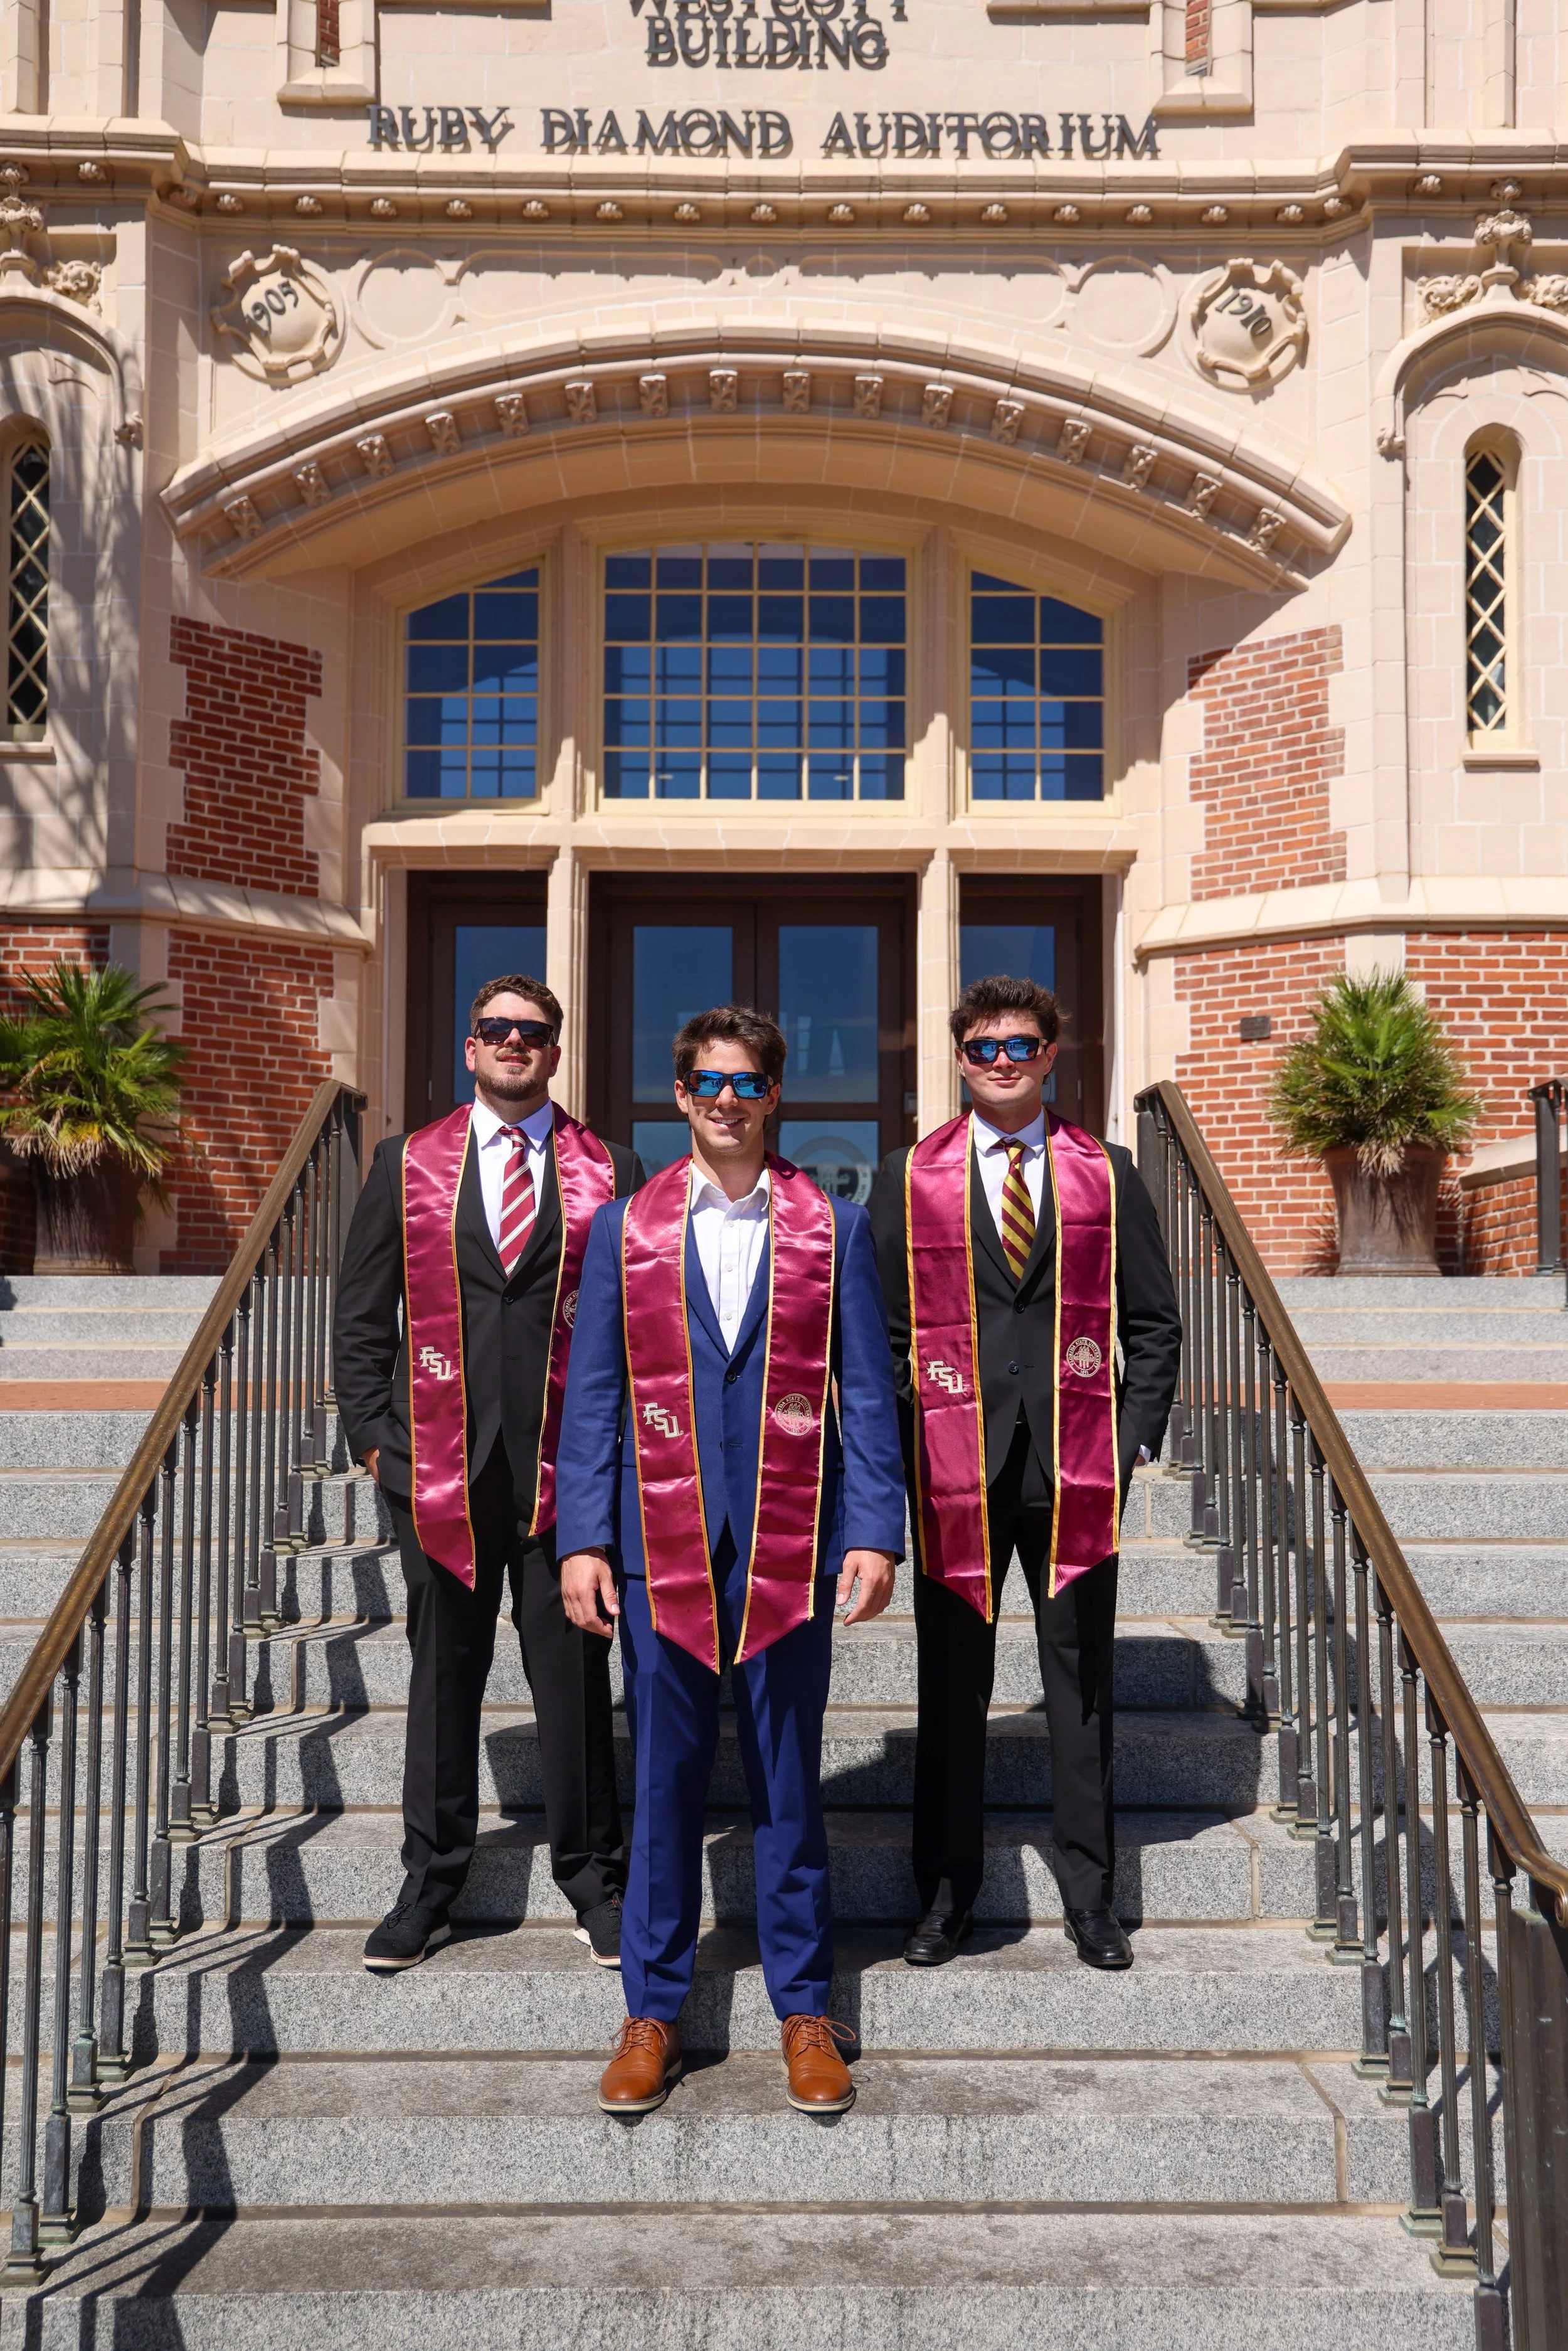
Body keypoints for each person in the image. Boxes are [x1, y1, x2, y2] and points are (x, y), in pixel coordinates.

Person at [556, 1005, 906, 2117]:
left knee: (787, 1787)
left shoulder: (833, 1228)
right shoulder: (625, 1228)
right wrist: (580, 1537)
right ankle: (652, 2011)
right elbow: (596, 1398)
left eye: (746, 1084)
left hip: (791, 1545)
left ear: (773, 1096)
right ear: (680, 1096)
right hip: (657, 1550)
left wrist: (874, 1529)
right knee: (659, 1790)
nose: (725, 1101)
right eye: (707, 1083)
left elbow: (868, 1390)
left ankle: (806, 2007)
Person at [867, 974, 1181, 1972]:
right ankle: (946, 1898)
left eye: (1020, 1047)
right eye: (982, 1048)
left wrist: (1129, 1441)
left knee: (1080, 1686)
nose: (1001, 1063)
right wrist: (902, 1451)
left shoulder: (1110, 1170)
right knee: (950, 1687)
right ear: (960, 1060)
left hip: (1075, 1466)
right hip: (951, 1465)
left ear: (1052, 1056)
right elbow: (877, 1338)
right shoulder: (906, 1174)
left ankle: (1093, 1898)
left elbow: (1154, 1325)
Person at [332, 974, 642, 1974]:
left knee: (575, 1681)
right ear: (471, 1048)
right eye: (496, 1029)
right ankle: (431, 1880)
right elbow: (362, 1318)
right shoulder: (403, 1163)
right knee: (443, 1681)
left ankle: (595, 1877)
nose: (514, 1043)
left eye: (533, 1032)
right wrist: (378, 1444)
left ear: (555, 1052)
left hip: (566, 1478)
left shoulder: (613, 1166)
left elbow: (639, 1328)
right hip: (439, 1472)